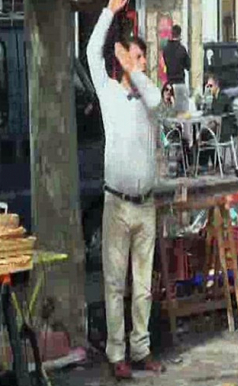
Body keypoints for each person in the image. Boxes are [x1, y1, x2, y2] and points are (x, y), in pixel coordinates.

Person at [87, 0, 165, 380]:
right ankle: (117, 352)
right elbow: (88, 53)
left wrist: (136, 68)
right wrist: (109, 12)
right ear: (123, 62)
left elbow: (154, 97)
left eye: (145, 61)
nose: (143, 66)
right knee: (115, 282)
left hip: (146, 204)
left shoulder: (148, 99)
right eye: (137, 59)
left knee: (144, 286)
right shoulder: (109, 95)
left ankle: (141, 347)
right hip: (117, 203)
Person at [162, 24, 191, 112]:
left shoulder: (166, 49)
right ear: (180, 34)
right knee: (182, 113)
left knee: (170, 113)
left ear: (171, 34)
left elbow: (166, 63)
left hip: (169, 84)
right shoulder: (182, 49)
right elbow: (188, 66)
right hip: (180, 83)